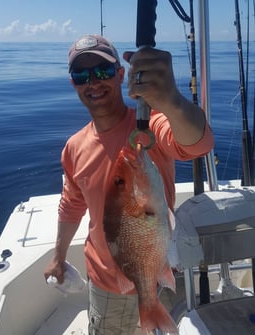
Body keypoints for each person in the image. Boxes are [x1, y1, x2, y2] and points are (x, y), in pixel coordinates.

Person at [44, 34, 214, 334]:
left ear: (121, 74)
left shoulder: (151, 124)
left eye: (103, 72)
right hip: (106, 283)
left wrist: (171, 100)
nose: (93, 82)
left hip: (158, 268)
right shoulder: (73, 147)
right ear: (74, 84)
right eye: (82, 75)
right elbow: (71, 205)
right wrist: (58, 258)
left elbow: (199, 144)